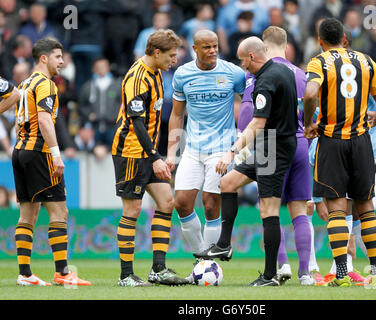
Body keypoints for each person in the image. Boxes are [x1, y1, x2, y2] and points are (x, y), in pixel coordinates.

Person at [196, 36, 299, 287]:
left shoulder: (265, 80)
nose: (244, 68)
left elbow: (258, 122)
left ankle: (269, 276)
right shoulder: (283, 70)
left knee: (269, 211)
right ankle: (223, 245)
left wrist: (231, 152)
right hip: (272, 144)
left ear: (252, 57)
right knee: (228, 183)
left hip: (274, 147)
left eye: (244, 62)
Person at [303, 18, 376, 287]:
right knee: (366, 207)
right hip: (362, 142)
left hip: (332, 141)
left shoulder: (319, 62)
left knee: (337, 209)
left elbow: (309, 95)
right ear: (343, 38)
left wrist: (309, 125)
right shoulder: (366, 61)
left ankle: (341, 273)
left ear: (320, 41)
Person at [235, 26, 313, 286]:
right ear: (287, 45)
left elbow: (249, 115)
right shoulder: (301, 74)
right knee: (300, 211)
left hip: (272, 146)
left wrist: (241, 146)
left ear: (263, 49)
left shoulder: (260, 75)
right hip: (301, 144)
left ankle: (281, 267)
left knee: (269, 209)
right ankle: (305, 274)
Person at [166, 30, 245, 282]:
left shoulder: (233, 73)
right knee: (181, 202)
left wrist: (241, 142)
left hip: (221, 149)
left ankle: (206, 265)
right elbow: (177, 115)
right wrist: (171, 152)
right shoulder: (183, 74)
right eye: (207, 47)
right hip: (192, 149)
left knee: (211, 205)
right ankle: (203, 259)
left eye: (215, 46)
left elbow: (248, 105)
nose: (212, 51)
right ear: (195, 48)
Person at [111, 29, 188, 287]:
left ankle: (158, 269)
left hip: (148, 152)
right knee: (131, 209)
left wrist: (157, 154)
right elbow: (137, 123)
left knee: (167, 202)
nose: (174, 60)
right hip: (131, 151)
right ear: (157, 53)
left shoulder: (157, 73)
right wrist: (156, 156)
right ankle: (125, 275)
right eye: (171, 55)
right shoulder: (137, 77)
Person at [12, 37, 91, 286]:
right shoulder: (46, 84)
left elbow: (18, 120)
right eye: (58, 57)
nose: (63, 62)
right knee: (59, 212)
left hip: (20, 151)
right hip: (40, 153)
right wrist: (57, 154)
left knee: (27, 216)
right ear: (44, 58)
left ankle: (25, 274)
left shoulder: (24, 83)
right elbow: (46, 121)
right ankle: (63, 272)